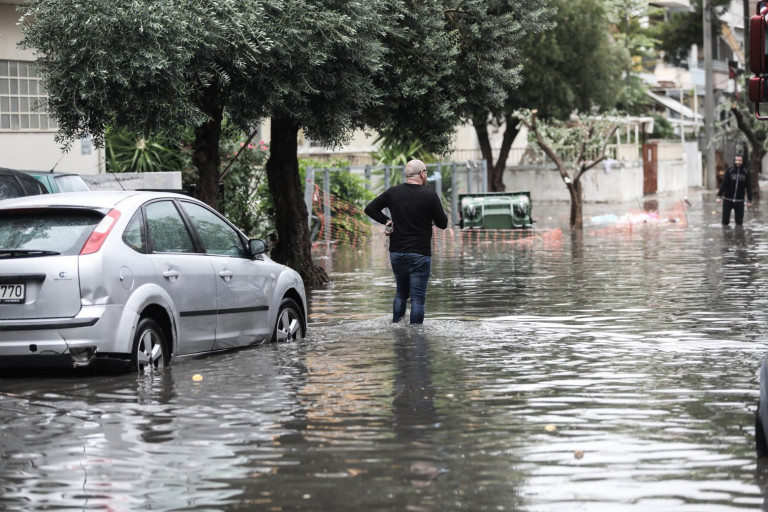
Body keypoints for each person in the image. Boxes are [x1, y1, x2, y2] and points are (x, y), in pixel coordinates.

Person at [365, 159, 448, 324]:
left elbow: (370, 208)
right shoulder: (429, 195)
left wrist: (387, 221)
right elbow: (443, 224)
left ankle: (397, 328)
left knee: (401, 292)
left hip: (397, 253)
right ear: (422, 174)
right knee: (417, 298)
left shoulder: (393, 192)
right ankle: (416, 336)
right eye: (426, 173)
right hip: (419, 254)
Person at [716, 154, 753, 226]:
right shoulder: (730, 171)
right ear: (734, 161)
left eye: (739, 160)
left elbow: (749, 187)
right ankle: (726, 236)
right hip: (727, 199)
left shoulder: (746, 172)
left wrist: (750, 200)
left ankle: (739, 236)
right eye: (736, 160)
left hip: (739, 201)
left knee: (739, 222)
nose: (738, 162)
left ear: (742, 161)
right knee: (725, 222)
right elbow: (724, 184)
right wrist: (719, 196)